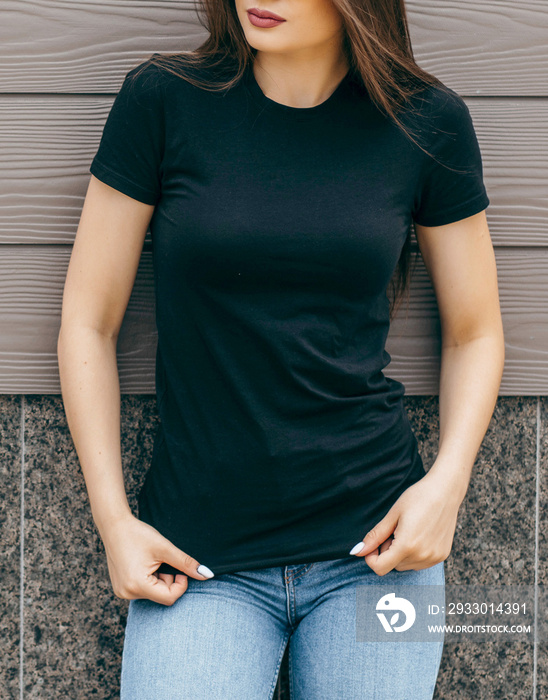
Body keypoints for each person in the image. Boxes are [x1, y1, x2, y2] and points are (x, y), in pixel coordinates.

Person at [57, 0, 505, 697]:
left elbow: (476, 331)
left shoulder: (427, 121)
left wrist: (447, 487)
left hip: (377, 553)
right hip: (199, 561)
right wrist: (112, 521)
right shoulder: (164, 100)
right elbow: (88, 320)